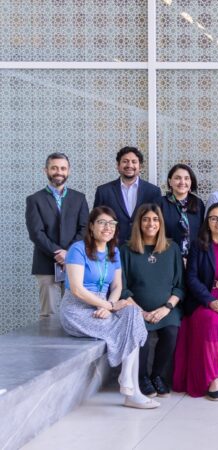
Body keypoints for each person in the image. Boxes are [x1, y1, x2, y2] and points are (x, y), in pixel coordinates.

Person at [59, 206, 157, 409]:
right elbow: (77, 289)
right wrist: (108, 305)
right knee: (132, 327)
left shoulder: (114, 251)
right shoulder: (78, 249)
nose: (107, 228)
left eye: (112, 224)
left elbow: (117, 286)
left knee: (132, 312)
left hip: (103, 305)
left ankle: (128, 382)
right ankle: (132, 391)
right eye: (102, 223)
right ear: (92, 226)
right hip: (77, 310)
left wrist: (109, 306)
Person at [173, 203, 218, 400]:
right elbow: (192, 278)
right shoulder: (198, 246)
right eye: (214, 218)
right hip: (203, 299)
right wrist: (210, 301)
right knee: (211, 322)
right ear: (207, 222)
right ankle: (213, 376)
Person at [120, 204, 183, 398]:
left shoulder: (172, 249)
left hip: (166, 309)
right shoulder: (126, 249)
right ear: (138, 223)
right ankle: (142, 378)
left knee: (171, 332)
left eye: (155, 220)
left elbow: (179, 286)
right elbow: (122, 289)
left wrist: (166, 308)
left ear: (161, 223)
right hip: (136, 309)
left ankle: (158, 376)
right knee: (143, 338)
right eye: (146, 219)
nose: (151, 223)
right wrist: (141, 312)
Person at [25, 152, 89, 317]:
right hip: (46, 264)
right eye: (54, 168)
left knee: (75, 312)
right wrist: (58, 253)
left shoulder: (79, 198)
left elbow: (85, 228)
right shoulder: (34, 199)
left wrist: (69, 253)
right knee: (49, 314)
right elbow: (35, 233)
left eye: (63, 168)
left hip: (75, 262)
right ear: (45, 170)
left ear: (69, 171)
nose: (58, 171)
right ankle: (47, 343)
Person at [93, 147, 161, 243]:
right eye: (125, 161)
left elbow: (157, 222)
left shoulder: (153, 191)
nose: (129, 165)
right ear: (118, 165)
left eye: (134, 162)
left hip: (143, 247)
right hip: (112, 247)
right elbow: (97, 221)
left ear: (140, 166)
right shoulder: (104, 191)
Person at [157, 164, 206, 258]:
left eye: (187, 178)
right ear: (170, 181)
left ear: (191, 182)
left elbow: (202, 232)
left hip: (194, 258)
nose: (182, 182)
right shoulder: (160, 203)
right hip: (167, 257)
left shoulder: (198, 203)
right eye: (177, 178)